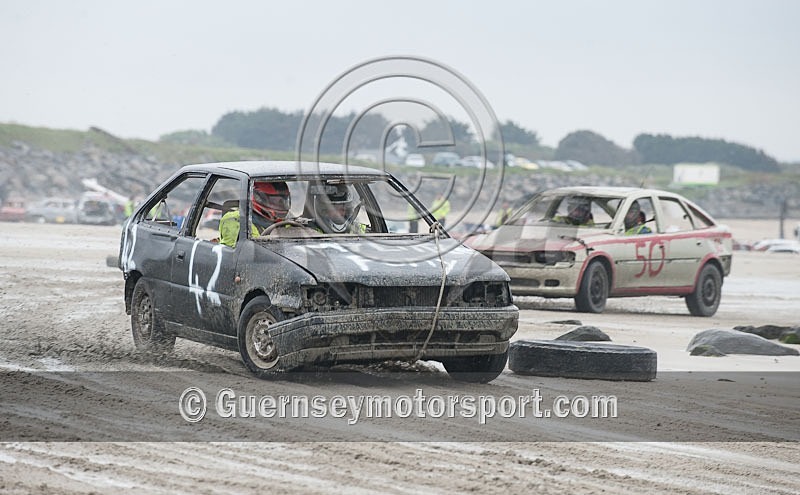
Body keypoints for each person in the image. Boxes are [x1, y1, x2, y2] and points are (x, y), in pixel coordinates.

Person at [218, 181, 290, 248]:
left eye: (283, 201)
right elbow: (236, 253)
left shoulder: (286, 222)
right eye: (275, 201)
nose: (280, 205)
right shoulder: (235, 220)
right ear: (259, 198)